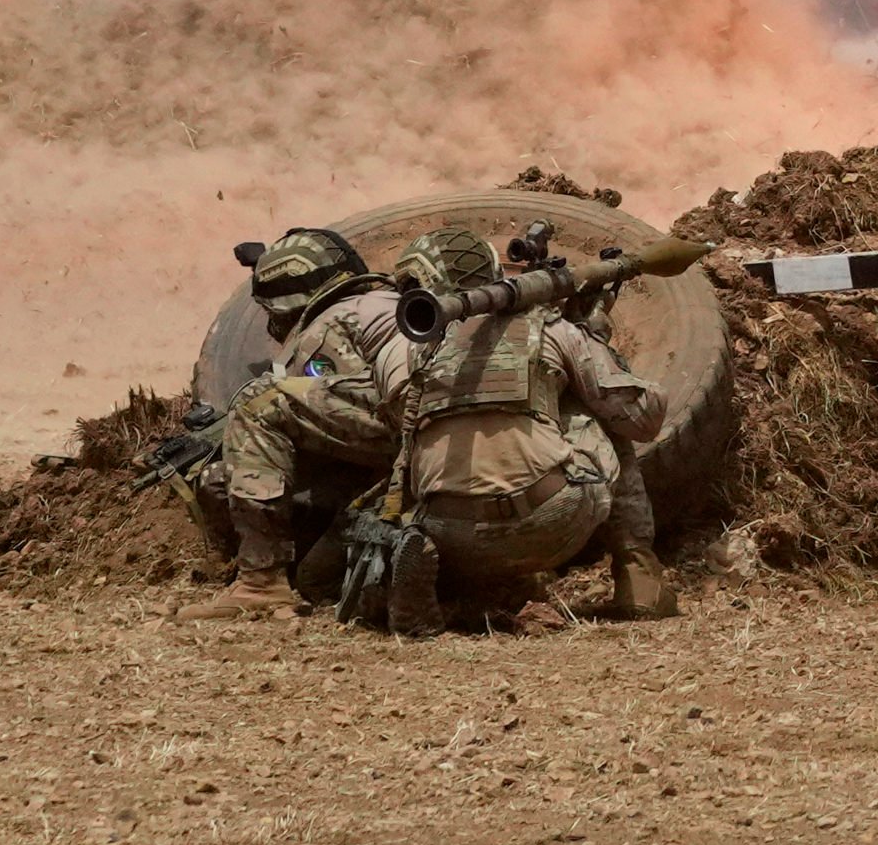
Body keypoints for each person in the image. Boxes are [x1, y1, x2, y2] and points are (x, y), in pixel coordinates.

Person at [378, 227, 673, 633]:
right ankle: (640, 578)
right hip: (551, 519)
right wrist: (593, 336)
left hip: (449, 534)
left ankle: (467, 588)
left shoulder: (410, 352)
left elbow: (404, 432)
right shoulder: (549, 328)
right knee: (590, 411)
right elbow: (642, 419)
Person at [181, 227, 407, 623]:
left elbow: (329, 414)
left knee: (260, 401)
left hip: (406, 427)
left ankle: (260, 582)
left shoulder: (332, 323)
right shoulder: (388, 303)